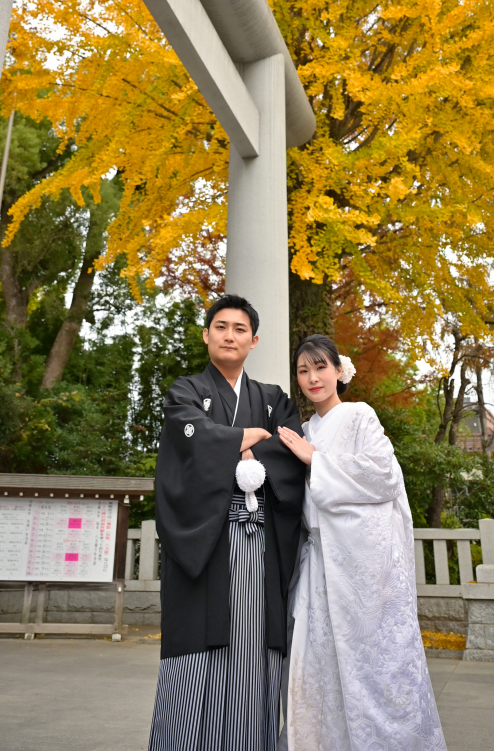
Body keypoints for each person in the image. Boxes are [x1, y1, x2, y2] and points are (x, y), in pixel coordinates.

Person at [149, 294, 307, 751]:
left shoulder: (273, 399)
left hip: (259, 543)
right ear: (206, 335)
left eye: (240, 329)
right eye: (221, 326)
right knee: (196, 651)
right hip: (207, 541)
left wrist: (242, 447)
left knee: (255, 647)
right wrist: (243, 437)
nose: (230, 335)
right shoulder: (183, 392)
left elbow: (290, 449)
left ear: (254, 340)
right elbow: (188, 438)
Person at [278, 334, 446, 751]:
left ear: (339, 371)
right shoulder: (302, 431)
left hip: (359, 570)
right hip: (318, 564)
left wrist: (315, 459)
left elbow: (383, 476)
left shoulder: (358, 415)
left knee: (374, 672)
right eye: (304, 370)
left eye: (321, 367)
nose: (313, 377)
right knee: (318, 669)